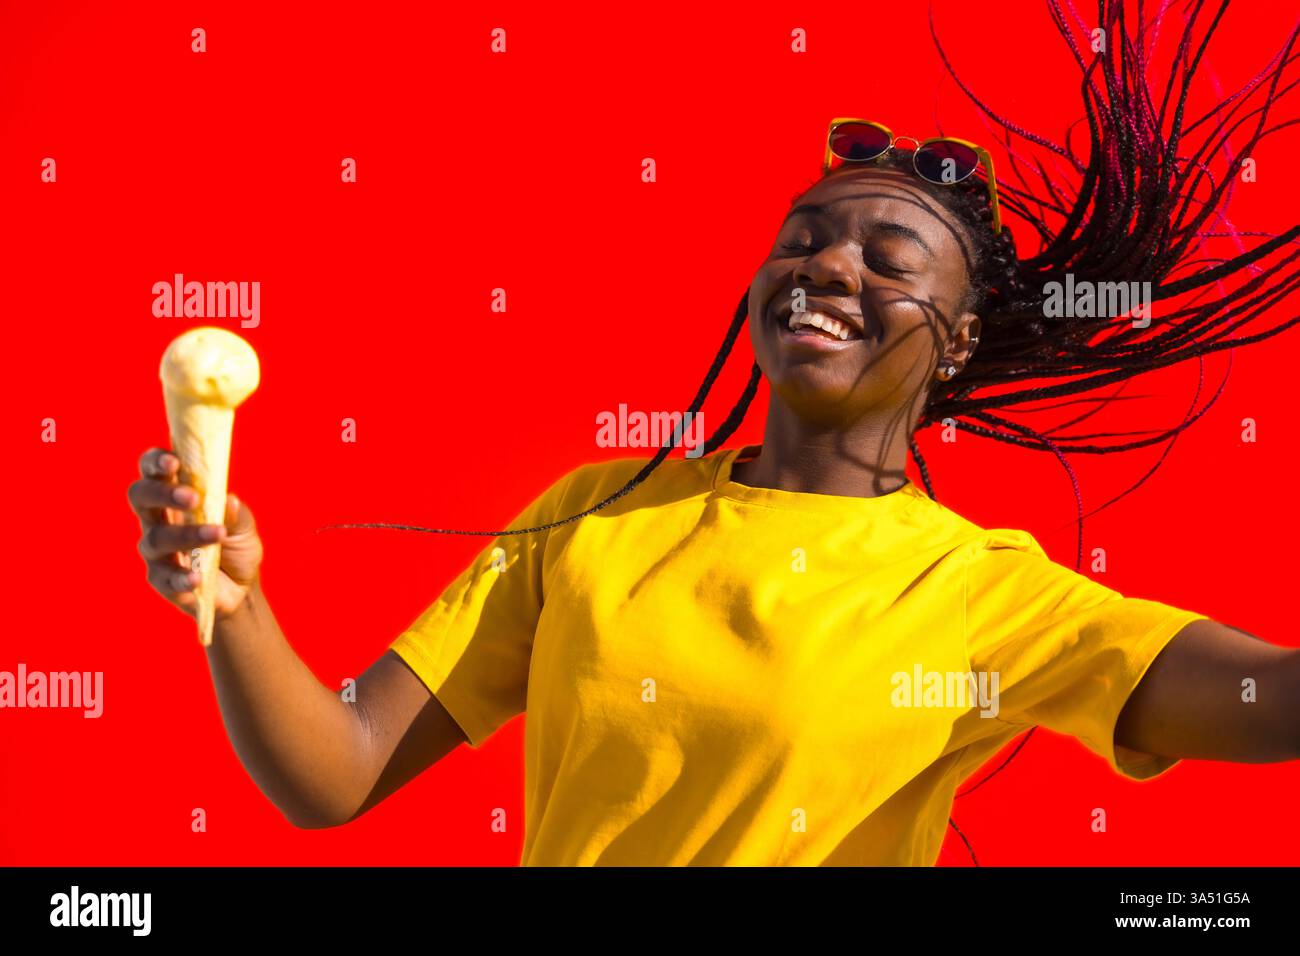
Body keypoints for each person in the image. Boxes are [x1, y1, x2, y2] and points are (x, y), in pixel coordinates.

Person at [127, 2, 1300, 865]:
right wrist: (235, 598)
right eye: (803, 240)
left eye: (889, 263)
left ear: (953, 343)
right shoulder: (597, 510)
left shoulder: (983, 594)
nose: (827, 266)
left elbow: (1267, 700)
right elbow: (332, 773)